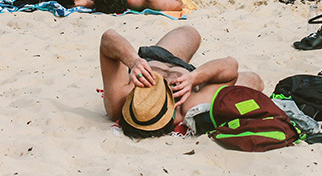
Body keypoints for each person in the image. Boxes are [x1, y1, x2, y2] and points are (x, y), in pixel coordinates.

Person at [99, 27, 263, 138]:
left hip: (154, 59)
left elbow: (108, 38)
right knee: (253, 80)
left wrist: (134, 61)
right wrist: (194, 77)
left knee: (190, 32)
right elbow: (231, 65)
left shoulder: (120, 100)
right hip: (192, 76)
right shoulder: (187, 105)